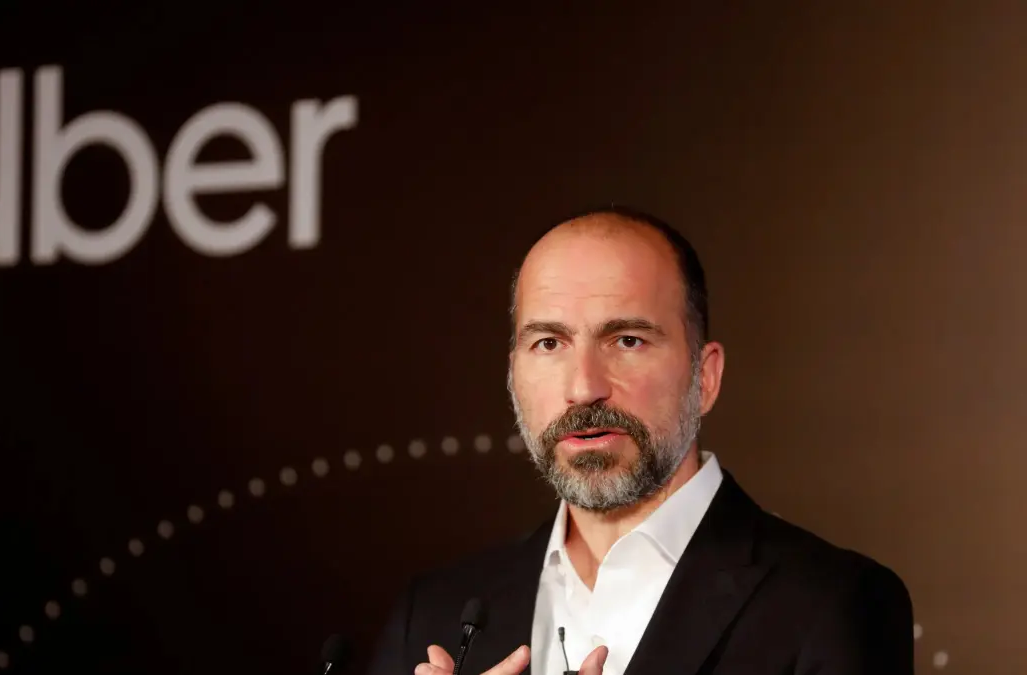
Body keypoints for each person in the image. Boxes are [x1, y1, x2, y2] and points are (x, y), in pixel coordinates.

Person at [366, 206, 915, 675]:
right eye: (549, 343)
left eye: (627, 340)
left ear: (705, 377)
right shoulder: (430, 615)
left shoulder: (833, 604)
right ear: (513, 374)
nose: (584, 387)